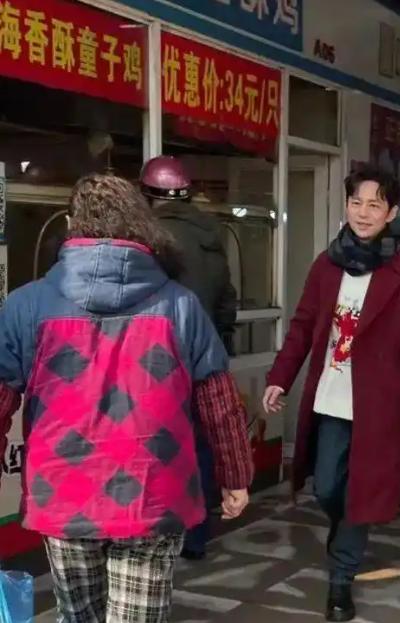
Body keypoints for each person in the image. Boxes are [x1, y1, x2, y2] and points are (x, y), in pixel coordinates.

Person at [0, 174, 253, 622]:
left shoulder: (26, 305)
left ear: (71, 225)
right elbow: (218, 399)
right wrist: (235, 475)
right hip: (153, 493)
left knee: (79, 616)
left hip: (63, 493)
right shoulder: (180, 305)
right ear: (141, 224)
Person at [261, 165, 400, 623]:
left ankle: (341, 580)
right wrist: (280, 377)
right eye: (356, 202)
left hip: (378, 407)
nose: (363, 213)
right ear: (346, 206)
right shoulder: (327, 264)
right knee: (327, 487)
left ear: (391, 213)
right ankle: (342, 534)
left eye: (374, 205)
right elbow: (302, 326)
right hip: (330, 398)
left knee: (360, 493)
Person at [140, 155, 238, 560]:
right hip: (204, 357)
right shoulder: (210, 235)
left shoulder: (148, 237)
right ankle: (196, 535)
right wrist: (219, 347)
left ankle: (160, 531)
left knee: (157, 447)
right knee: (200, 444)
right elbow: (227, 301)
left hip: (157, 362)